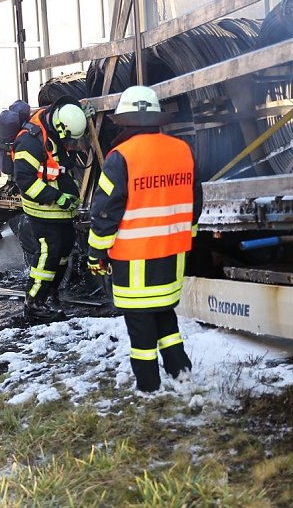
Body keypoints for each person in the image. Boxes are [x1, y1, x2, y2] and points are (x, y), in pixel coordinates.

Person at [87, 85, 194, 393]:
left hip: (135, 262)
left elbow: (105, 213)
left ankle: (148, 387)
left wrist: (96, 254)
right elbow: (194, 201)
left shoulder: (121, 157)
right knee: (165, 318)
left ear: (125, 122)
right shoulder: (182, 150)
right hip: (172, 257)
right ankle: (181, 372)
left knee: (140, 327)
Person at [12, 95, 91, 322]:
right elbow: (25, 181)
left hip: (62, 210)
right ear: (59, 127)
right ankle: (34, 303)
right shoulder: (29, 142)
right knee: (48, 255)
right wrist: (58, 197)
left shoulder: (55, 121)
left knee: (63, 252)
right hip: (43, 211)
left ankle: (50, 293)